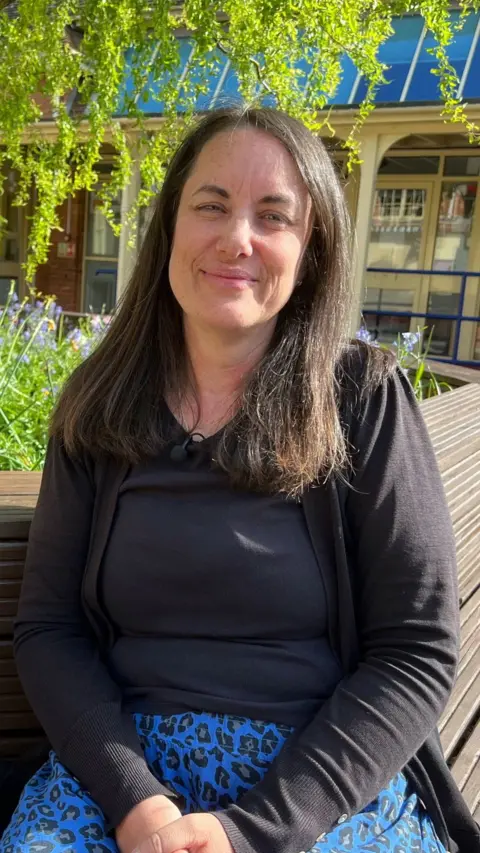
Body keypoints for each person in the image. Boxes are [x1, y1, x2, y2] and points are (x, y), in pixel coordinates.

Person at [1, 106, 477, 853]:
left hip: (317, 784)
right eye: (211, 205)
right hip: (122, 774)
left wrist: (255, 833)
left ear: (310, 247)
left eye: (273, 215)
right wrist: (138, 804)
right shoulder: (99, 403)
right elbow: (49, 629)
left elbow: (415, 650)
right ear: (171, 227)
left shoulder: (360, 398)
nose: (237, 238)